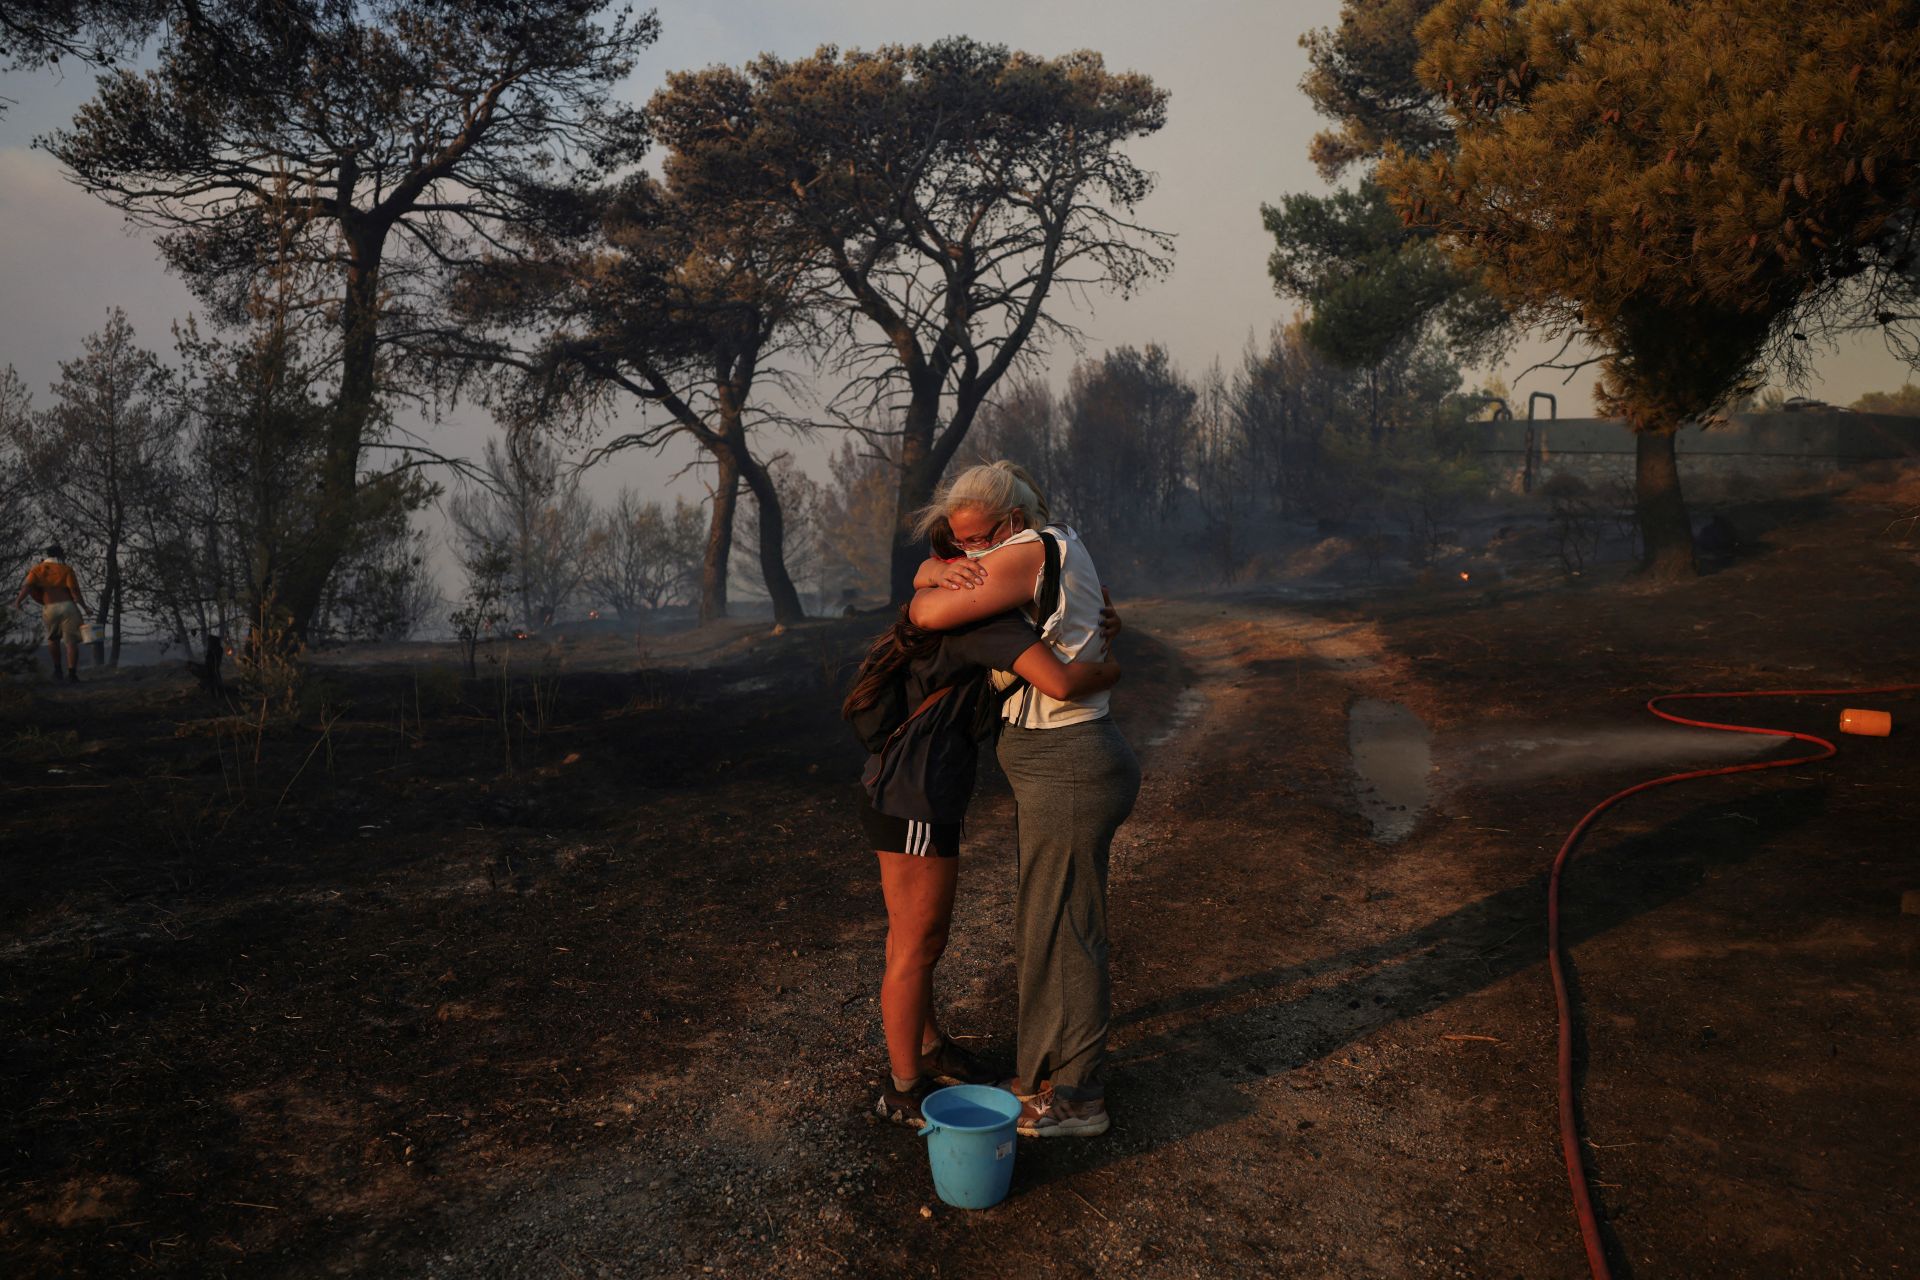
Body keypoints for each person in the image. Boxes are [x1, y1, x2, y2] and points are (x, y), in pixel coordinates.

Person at [908, 461, 1141, 1138]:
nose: (968, 557)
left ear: (1011, 522)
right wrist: (935, 569)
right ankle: (1044, 1074)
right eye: (956, 544)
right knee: (1045, 923)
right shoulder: (1052, 549)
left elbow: (927, 613)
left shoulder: (1029, 550)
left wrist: (931, 582)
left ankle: (1076, 1099)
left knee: (1066, 929)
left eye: (976, 541)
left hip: (1069, 763)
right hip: (1062, 763)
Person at [846, 565, 1122, 1130]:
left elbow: (927, 584)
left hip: (903, 791)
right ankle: (902, 1089)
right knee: (916, 945)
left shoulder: (966, 612)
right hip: (913, 800)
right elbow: (1064, 683)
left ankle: (926, 1048)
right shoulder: (989, 627)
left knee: (915, 939)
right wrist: (1111, 666)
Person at [12, 543, 89, 683]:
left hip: (50, 607)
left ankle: (58, 670)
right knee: (71, 642)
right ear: (60, 555)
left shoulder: (37, 570)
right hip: (68, 607)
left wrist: (18, 601)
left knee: (52, 639)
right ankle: (72, 674)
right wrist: (85, 607)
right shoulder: (66, 569)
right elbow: (75, 593)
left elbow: (27, 587)